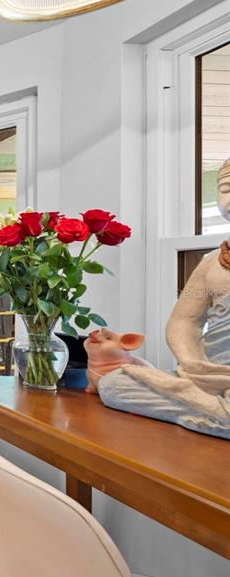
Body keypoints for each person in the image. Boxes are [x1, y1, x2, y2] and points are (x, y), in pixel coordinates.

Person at [98, 159, 230, 439]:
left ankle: (209, 413)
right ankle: (211, 412)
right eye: (226, 189)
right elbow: (183, 321)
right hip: (206, 375)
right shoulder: (211, 263)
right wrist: (192, 362)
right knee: (112, 384)